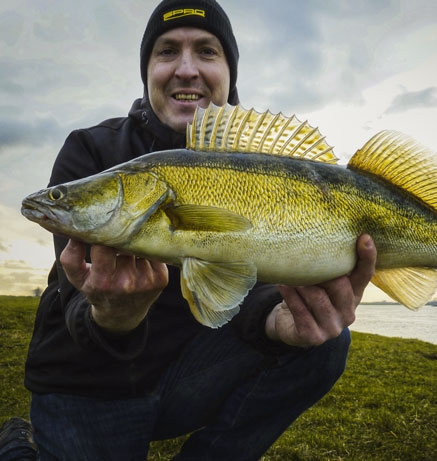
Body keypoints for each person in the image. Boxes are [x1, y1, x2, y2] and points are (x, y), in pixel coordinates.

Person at [0, 0, 377, 459]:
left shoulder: (268, 170)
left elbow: (245, 277)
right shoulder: (92, 149)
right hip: (87, 383)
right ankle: (20, 445)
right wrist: (109, 316)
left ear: (229, 73)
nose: (186, 69)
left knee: (329, 343)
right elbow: (73, 292)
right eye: (166, 51)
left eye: (206, 50)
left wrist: (276, 321)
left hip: (187, 378)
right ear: (147, 71)